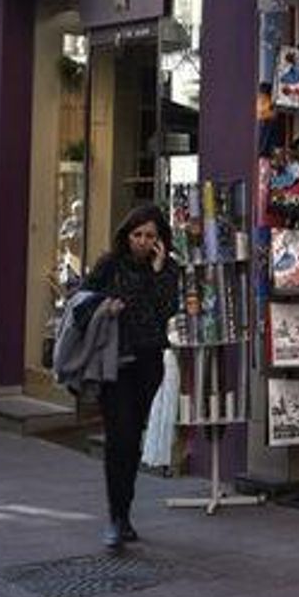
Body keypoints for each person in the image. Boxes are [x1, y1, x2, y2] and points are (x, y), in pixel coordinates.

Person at [83, 204, 179, 551]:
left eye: (150, 236)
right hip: (113, 362)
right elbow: (82, 300)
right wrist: (105, 306)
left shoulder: (167, 269)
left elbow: (166, 309)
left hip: (148, 362)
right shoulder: (110, 265)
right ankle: (116, 517)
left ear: (159, 240)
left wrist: (157, 271)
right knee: (119, 437)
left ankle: (124, 514)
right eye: (137, 235)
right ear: (127, 235)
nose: (142, 241)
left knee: (132, 437)